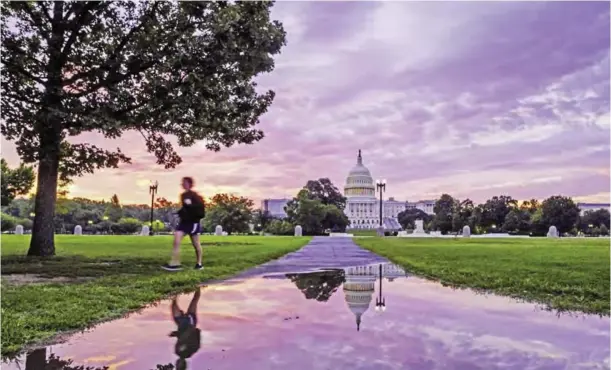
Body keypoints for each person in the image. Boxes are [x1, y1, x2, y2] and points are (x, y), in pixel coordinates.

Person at [162, 177, 205, 271]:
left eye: (185, 182)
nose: (182, 184)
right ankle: (175, 263)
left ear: (190, 184)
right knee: (176, 240)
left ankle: (199, 264)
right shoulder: (183, 195)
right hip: (184, 222)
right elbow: (186, 208)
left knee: (196, 244)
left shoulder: (195, 196)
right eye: (182, 182)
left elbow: (197, 209)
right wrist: (178, 212)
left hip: (193, 223)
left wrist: (190, 205)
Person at [170, 289, 202, 370]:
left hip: (181, 323)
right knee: (194, 300)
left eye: (176, 366)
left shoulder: (177, 351)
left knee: (174, 305)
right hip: (190, 324)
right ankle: (198, 285)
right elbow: (196, 343)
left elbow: (180, 337)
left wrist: (175, 334)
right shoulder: (189, 352)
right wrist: (195, 331)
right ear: (182, 365)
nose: (176, 364)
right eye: (178, 366)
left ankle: (176, 289)